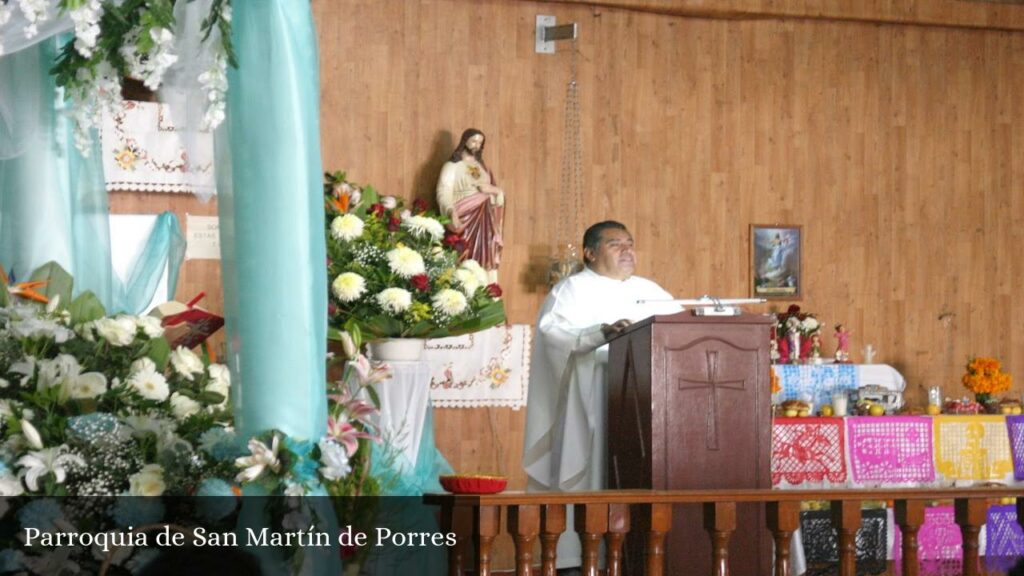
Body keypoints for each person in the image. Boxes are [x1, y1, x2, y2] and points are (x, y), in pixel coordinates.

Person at [522, 220, 681, 569]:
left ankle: (636, 554)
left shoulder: (650, 290)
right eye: (615, 244)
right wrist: (599, 334)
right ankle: (578, 560)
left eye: (630, 243)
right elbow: (554, 334)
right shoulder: (572, 290)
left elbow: (680, 332)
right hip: (592, 402)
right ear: (590, 253)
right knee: (590, 475)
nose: (627, 250)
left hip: (644, 407)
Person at [436, 128, 504, 273]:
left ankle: (482, 284)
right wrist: (450, 211)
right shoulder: (452, 166)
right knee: (463, 253)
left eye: (480, 142)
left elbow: (493, 194)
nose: (476, 145)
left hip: (485, 218)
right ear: (464, 140)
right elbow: (443, 192)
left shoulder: (482, 167)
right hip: (464, 216)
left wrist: (495, 192)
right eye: (473, 141)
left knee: (486, 249)